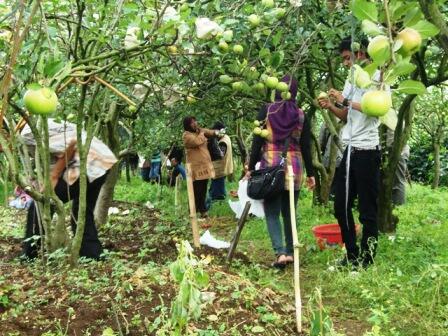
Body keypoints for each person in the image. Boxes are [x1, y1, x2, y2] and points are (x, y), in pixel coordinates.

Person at [318, 37, 383, 268]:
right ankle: (352, 254)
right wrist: (332, 106)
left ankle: (368, 258)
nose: (345, 63)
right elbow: (347, 116)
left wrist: (344, 99)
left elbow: (374, 109)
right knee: (341, 206)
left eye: (348, 58)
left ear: (361, 54)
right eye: (344, 59)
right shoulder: (351, 80)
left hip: (367, 151)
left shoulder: (377, 77)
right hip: (350, 150)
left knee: (367, 209)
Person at [20, 119, 117, 261]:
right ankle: (93, 255)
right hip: (102, 161)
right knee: (81, 211)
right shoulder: (34, 128)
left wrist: (53, 177)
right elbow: (53, 157)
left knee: (42, 203)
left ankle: (30, 254)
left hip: (89, 161)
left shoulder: (28, 132)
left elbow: (71, 143)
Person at [247, 75, 315, 268]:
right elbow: (306, 146)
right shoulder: (301, 115)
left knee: (272, 212)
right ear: (294, 92)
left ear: (277, 89)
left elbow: (257, 142)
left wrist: (251, 168)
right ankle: (291, 252)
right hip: (295, 167)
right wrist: (311, 174)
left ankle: (280, 253)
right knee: (289, 212)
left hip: (272, 167)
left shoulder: (267, 111)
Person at [182, 116, 219, 219]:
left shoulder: (198, 132)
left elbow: (209, 132)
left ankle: (203, 211)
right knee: (195, 190)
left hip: (204, 166)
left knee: (203, 189)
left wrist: (216, 132)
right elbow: (197, 141)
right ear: (187, 125)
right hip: (195, 168)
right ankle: (192, 211)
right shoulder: (186, 136)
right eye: (192, 122)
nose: (195, 124)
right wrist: (202, 133)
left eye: (195, 121)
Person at [209, 121, 234, 201]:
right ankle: (217, 199)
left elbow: (219, 155)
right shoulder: (226, 137)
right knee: (217, 186)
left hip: (220, 168)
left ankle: (218, 201)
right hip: (223, 167)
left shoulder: (223, 142)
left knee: (217, 189)